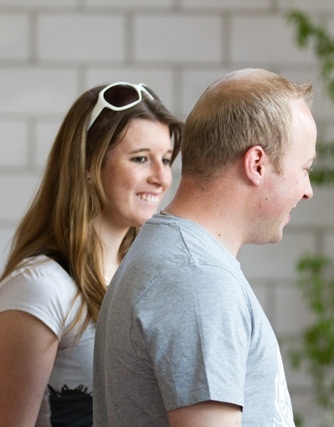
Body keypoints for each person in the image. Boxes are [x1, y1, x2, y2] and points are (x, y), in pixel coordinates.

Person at [93, 68, 317, 427]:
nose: (307, 191)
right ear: (257, 164)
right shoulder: (196, 277)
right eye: (305, 169)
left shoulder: (182, 262)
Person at [0, 82, 184, 427]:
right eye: (140, 159)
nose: (162, 177)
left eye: (165, 160)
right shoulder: (40, 287)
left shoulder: (146, 278)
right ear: (88, 165)